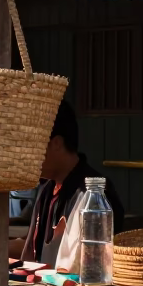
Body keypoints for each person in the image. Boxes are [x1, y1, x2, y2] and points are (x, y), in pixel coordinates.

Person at [13, 100, 125, 266]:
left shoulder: (95, 194)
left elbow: (95, 265)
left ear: (56, 143)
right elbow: (37, 254)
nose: (26, 155)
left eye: (31, 146)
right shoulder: (46, 189)